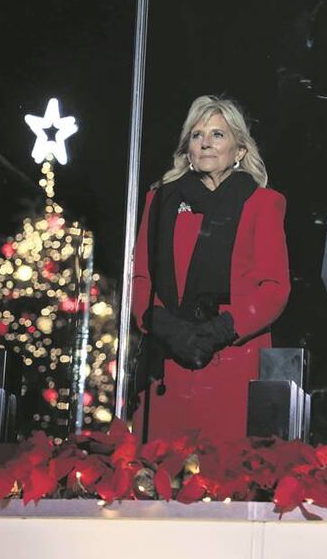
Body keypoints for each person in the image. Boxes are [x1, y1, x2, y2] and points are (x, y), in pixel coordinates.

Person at [130, 95, 290, 442]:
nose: (205, 142)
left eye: (218, 134)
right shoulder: (159, 201)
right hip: (167, 368)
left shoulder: (263, 204)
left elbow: (274, 289)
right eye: (197, 135)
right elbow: (141, 280)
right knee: (157, 471)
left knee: (228, 469)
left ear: (240, 150)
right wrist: (170, 329)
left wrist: (220, 330)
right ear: (188, 149)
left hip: (233, 363)